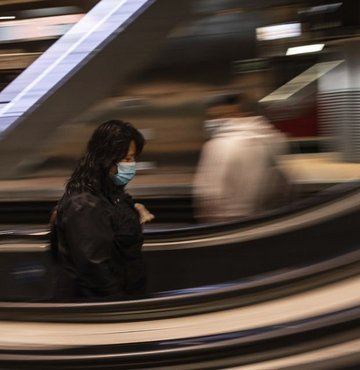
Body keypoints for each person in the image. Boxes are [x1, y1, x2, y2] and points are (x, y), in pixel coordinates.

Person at [53, 120, 154, 301]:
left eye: (133, 158)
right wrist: (120, 306)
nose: (132, 165)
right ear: (105, 158)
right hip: (100, 308)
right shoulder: (83, 203)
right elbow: (94, 268)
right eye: (127, 159)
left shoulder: (112, 194)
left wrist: (135, 213)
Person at [193, 93, 290, 223]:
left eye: (215, 116)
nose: (214, 121)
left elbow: (211, 193)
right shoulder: (273, 138)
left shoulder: (219, 145)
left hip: (229, 221)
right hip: (265, 218)